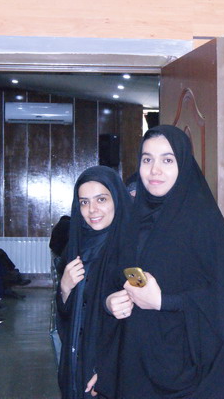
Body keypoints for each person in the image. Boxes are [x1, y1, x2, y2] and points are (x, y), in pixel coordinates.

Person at [103, 125, 224, 398]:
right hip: (133, 363)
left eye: (167, 160)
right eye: (147, 159)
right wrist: (110, 302)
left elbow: (223, 300)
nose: (154, 170)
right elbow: (110, 277)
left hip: (186, 371)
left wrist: (163, 302)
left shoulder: (204, 222)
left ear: (183, 165)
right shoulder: (130, 220)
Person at [56, 166, 131, 399]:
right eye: (84, 202)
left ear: (117, 199)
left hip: (113, 371)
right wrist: (65, 289)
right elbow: (71, 318)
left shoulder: (132, 249)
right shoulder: (77, 247)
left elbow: (141, 324)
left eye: (101, 199)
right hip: (78, 363)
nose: (92, 210)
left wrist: (108, 370)